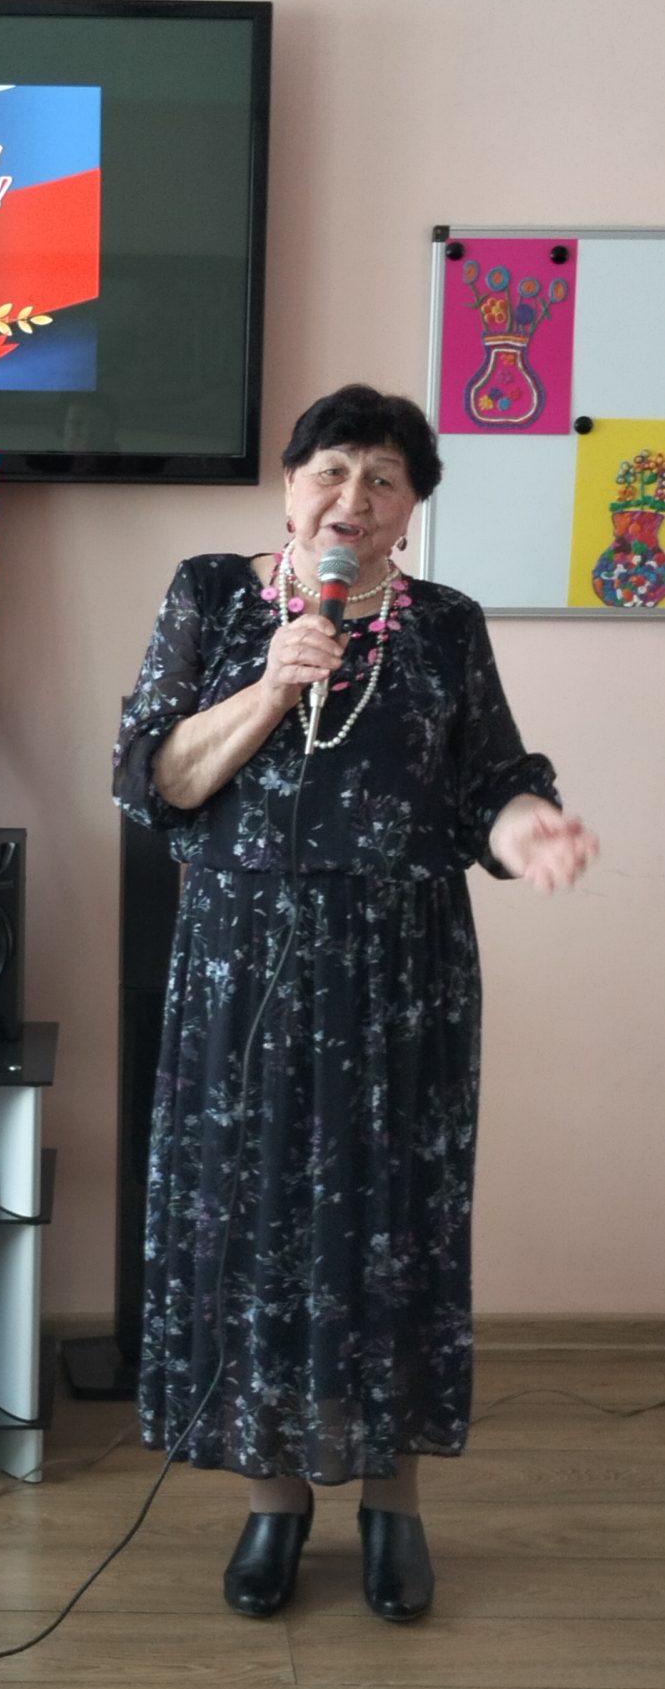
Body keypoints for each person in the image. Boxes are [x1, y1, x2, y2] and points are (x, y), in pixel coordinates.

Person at [112, 385, 597, 1623]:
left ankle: (393, 1505)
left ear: (411, 507)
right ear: (289, 484)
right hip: (239, 978)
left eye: (384, 478)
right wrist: (272, 685)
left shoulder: (445, 625)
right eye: (331, 469)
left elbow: (491, 781)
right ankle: (271, 1505)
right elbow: (154, 779)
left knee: (393, 1232)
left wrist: (524, 828)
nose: (353, 498)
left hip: (400, 980)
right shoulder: (213, 596)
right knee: (250, 1230)